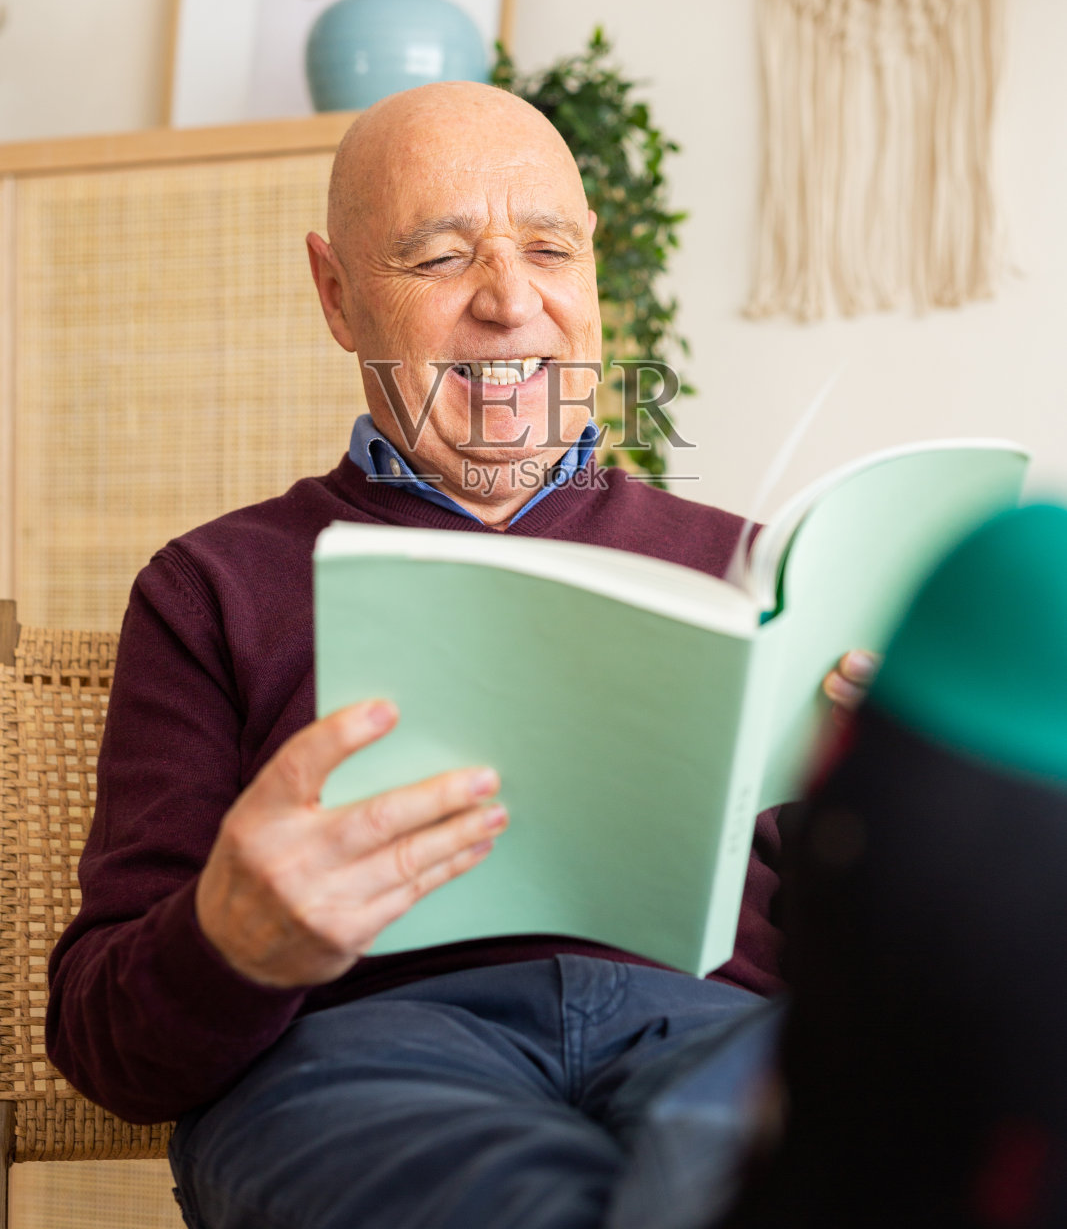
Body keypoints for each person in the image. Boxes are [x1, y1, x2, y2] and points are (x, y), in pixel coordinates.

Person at [46, 82, 872, 1229]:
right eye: (439, 259)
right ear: (337, 295)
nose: (508, 302)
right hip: (365, 1057)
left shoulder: (750, 567)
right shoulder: (211, 588)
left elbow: (894, 968)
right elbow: (102, 1042)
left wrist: (907, 807)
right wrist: (225, 940)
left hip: (714, 1037)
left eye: (548, 249)